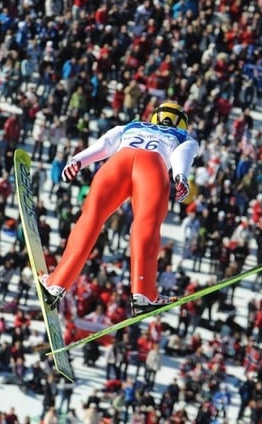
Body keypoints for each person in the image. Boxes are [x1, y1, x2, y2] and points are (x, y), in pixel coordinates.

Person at [40, 101, 198, 315]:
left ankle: (57, 283)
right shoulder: (183, 137)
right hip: (152, 167)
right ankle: (143, 293)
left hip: (118, 163)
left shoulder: (132, 125)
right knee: (146, 227)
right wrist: (181, 177)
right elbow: (183, 155)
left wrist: (79, 160)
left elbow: (105, 144)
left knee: (90, 219)